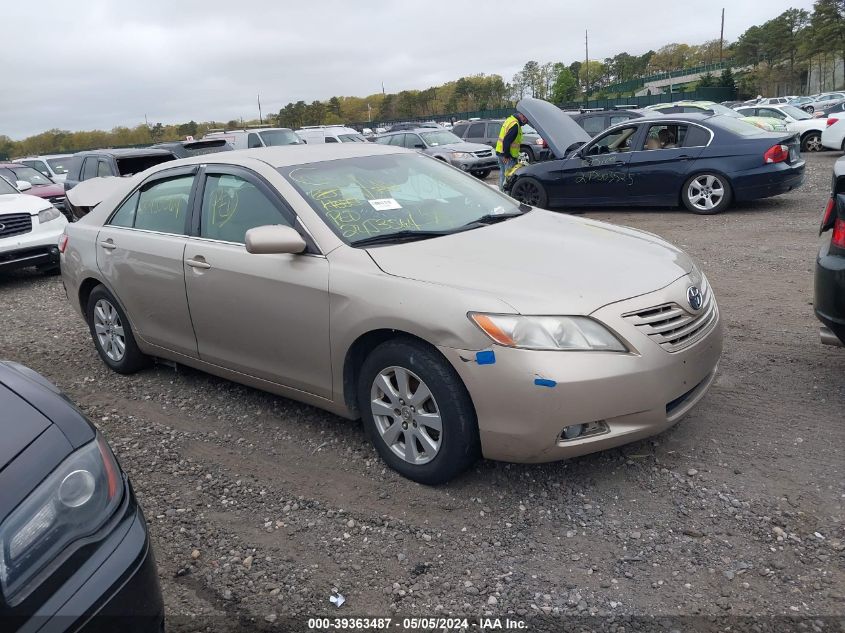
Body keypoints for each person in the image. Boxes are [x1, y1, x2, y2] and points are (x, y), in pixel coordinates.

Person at [495, 112, 529, 191]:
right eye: (526, 120)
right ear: (522, 116)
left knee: (503, 175)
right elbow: (506, 141)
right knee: (508, 177)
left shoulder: (510, 120)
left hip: (500, 152)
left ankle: (501, 193)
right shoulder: (515, 125)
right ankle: (506, 196)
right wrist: (506, 155)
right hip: (508, 156)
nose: (526, 122)